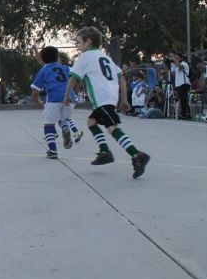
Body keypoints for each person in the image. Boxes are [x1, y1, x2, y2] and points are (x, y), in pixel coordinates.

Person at [63, 26, 150, 179]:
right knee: (91, 122)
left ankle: (137, 155)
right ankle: (104, 152)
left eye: (79, 42)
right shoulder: (105, 57)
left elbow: (73, 78)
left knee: (112, 128)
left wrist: (67, 96)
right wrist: (123, 99)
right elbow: (121, 76)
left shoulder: (85, 57)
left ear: (88, 42)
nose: (77, 45)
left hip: (102, 99)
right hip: (110, 97)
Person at [31, 46, 80, 159]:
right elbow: (77, 77)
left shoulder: (44, 70)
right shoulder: (66, 68)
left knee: (48, 124)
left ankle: (53, 151)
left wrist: (37, 102)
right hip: (70, 98)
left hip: (54, 98)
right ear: (57, 57)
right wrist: (75, 91)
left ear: (42, 59)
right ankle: (65, 128)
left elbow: (35, 91)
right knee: (63, 120)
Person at [171, 53, 192, 120]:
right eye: (175, 58)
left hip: (184, 83)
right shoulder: (176, 65)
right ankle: (187, 114)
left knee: (183, 100)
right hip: (178, 84)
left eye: (177, 58)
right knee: (183, 99)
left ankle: (184, 115)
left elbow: (181, 67)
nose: (176, 59)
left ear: (181, 58)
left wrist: (174, 60)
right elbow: (173, 73)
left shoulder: (184, 64)